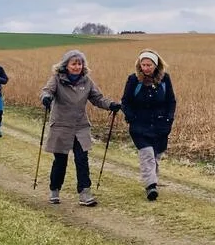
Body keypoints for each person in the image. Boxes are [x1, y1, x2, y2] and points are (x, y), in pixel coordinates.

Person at [40, 49, 122, 206]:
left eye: (80, 63)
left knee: (82, 159)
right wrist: (46, 98)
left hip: (80, 126)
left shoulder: (87, 81)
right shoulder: (57, 79)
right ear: (66, 65)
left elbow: (97, 98)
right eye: (74, 63)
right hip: (61, 125)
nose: (77, 66)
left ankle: (85, 192)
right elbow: (47, 91)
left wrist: (111, 105)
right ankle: (55, 189)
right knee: (60, 160)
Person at [121, 50, 176, 202]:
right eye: (143, 64)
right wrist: (130, 117)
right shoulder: (133, 80)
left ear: (155, 65)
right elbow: (125, 101)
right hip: (139, 126)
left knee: (156, 156)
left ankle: (153, 183)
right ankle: (150, 186)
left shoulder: (165, 80)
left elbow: (171, 101)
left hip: (160, 126)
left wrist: (168, 120)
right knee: (147, 156)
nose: (145, 68)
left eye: (149, 65)